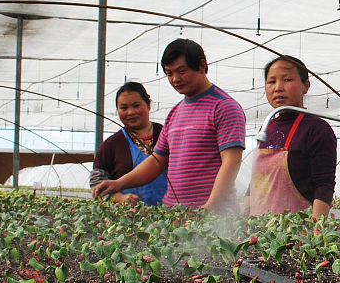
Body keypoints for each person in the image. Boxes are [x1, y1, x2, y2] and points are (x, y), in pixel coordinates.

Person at [92, 39, 246, 211]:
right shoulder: (175, 113)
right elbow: (157, 161)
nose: (175, 79)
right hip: (175, 212)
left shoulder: (224, 107)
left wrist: (210, 207)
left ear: (202, 66)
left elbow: (231, 161)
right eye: (169, 73)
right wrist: (118, 183)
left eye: (181, 71)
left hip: (214, 215)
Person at [247, 55, 338, 219]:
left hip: (296, 228)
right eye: (271, 81)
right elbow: (256, 181)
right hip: (258, 226)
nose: (278, 88)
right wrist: (243, 219)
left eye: (287, 80)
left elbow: (324, 185)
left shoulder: (317, 129)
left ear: (306, 86)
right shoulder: (267, 127)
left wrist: (316, 228)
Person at [90, 82, 168, 206]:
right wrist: (119, 198)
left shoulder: (167, 135)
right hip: (128, 215)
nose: (130, 112)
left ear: (148, 105)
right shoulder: (111, 145)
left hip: (172, 212)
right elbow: (97, 184)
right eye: (124, 108)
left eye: (136, 106)